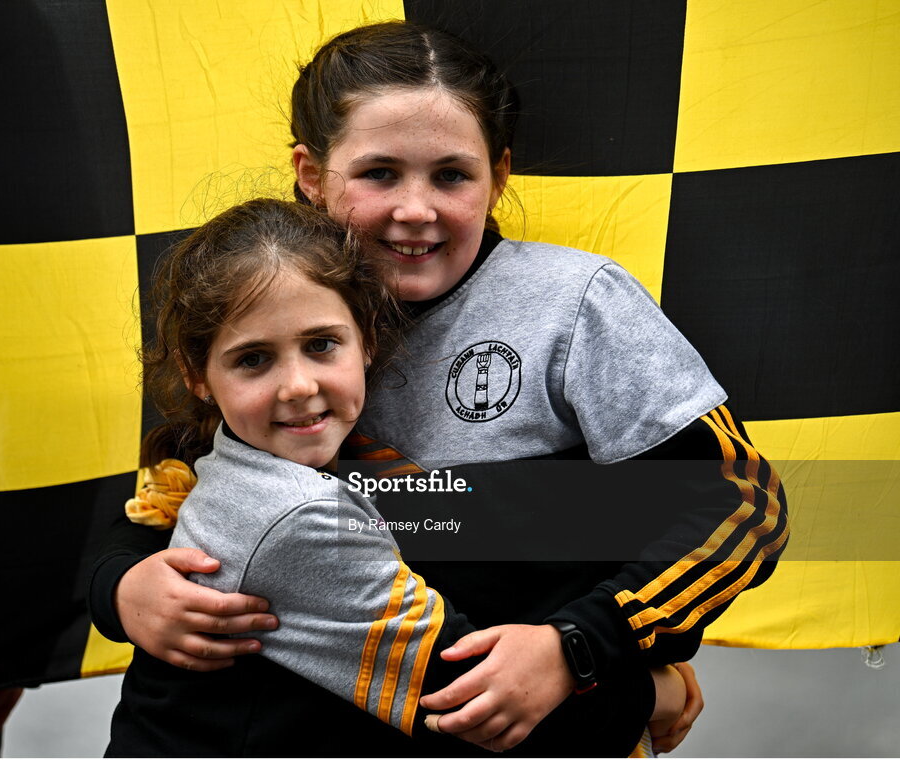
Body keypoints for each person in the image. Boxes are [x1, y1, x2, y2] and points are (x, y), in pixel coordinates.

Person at [91, 20, 786, 756]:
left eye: (452, 175)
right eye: (379, 173)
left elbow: (741, 503)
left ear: (500, 176)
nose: (415, 209)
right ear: (311, 172)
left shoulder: (574, 305)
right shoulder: (266, 294)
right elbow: (180, 484)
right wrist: (124, 584)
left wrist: (581, 646)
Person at [106, 197, 687, 757]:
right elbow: (471, 709)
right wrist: (657, 692)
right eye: (253, 359)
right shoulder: (300, 517)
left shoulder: (251, 455)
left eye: (320, 345)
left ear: (367, 339)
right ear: (196, 374)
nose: (299, 386)